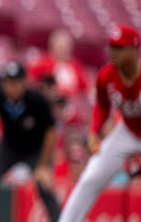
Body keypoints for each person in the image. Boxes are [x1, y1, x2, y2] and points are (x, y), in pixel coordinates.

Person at [58, 25, 141, 222]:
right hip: (127, 132)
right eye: (112, 46)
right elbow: (102, 107)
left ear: (135, 49)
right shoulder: (106, 75)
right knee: (90, 178)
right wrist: (95, 131)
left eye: (120, 47)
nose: (113, 52)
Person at [0, 61, 60, 221]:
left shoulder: (36, 99)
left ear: (24, 83)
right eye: (8, 82)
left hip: (35, 150)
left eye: (16, 82)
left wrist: (43, 166)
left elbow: (51, 132)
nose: (12, 87)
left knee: (45, 186)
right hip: (9, 147)